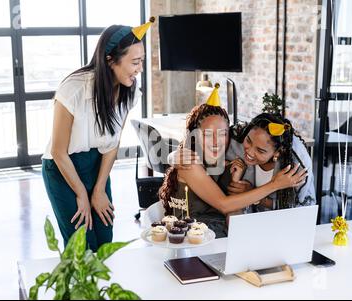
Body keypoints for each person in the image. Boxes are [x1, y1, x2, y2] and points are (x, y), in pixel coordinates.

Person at [42, 18, 155, 251]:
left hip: (96, 166)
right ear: (110, 59)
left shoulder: (129, 92)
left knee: (104, 239)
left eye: (141, 61)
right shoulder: (73, 88)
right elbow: (58, 151)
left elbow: (112, 145)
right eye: (135, 62)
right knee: (81, 245)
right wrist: (82, 194)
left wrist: (99, 189)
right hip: (63, 168)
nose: (140, 69)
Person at [158, 85, 308, 238]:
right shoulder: (189, 162)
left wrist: (235, 180)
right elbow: (223, 204)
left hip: (217, 235)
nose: (216, 142)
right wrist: (276, 184)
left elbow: (232, 207)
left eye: (222, 134)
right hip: (191, 236)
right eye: (208, 135)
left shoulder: (228, 160)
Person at [171, 110, 316, 213]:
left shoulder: (296, 168)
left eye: (260, 151)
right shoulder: (236, 139)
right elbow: (202, 144)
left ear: (278, 152)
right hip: (242, 220)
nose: (249, 152)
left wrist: (261, 195)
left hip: (280, 227)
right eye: (248, 141)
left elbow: (302, 211)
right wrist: (173, 157)